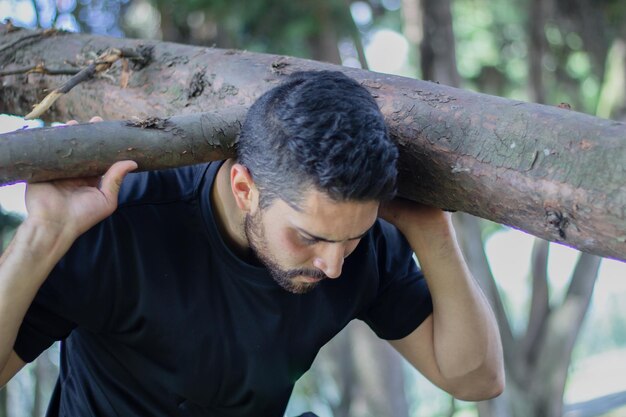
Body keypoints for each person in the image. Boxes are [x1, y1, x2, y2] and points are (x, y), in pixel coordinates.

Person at [0, 71, 504, 416]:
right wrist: (43, 235)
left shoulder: (360, 245)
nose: (332, 264)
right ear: (245, 188)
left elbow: (475, 379)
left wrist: (431, 230)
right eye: (309, 237)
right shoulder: (123, 220)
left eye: (351, 238)